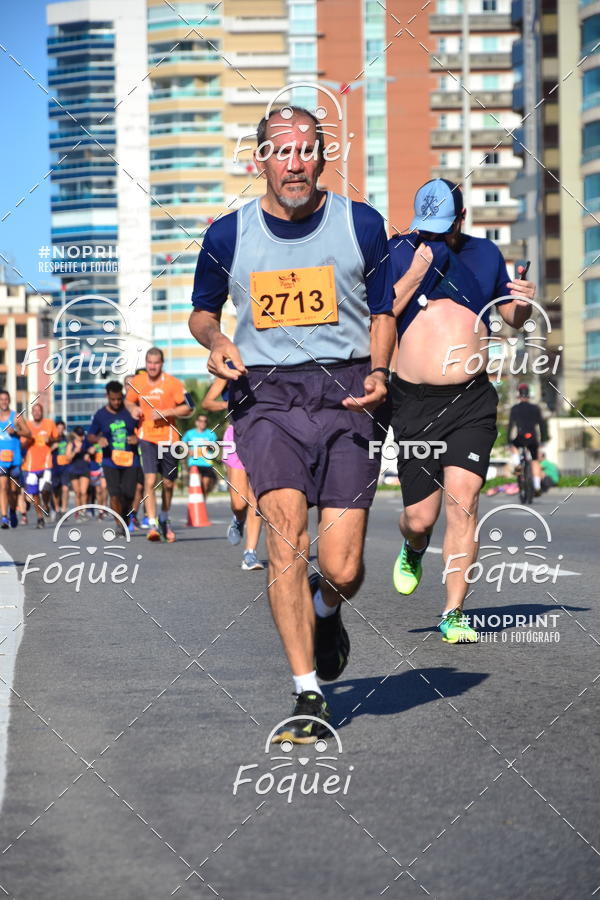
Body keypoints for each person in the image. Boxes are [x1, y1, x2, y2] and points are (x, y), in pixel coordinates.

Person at [189, 105, 395, 742]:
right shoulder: (228, 235)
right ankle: (307, 694)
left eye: (307, 150)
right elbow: (201, 312)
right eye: (282, 152)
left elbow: (384, 311)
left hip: (347, 389)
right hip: (267, 394)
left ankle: (327, 607)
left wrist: (382, 372)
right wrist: (216, 342)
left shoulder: (362, 224)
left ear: (322, 157)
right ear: (261, 161)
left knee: (343, 563)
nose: (295, 162)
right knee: (284, 531)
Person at [388, 178, 536, 643]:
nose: (435, 234)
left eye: (443, 226)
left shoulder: (486, 254)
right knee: (420, 519)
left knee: (464, 502)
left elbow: (510, 318)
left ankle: (454, 612)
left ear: (461, 217)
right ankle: (414, 547)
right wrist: (417, 270)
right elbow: (381, 311)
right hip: (413, 402)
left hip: (471, 397)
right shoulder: (398, 251)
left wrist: (523, 303)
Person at [125, 348, 192, 542]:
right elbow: (128, 402)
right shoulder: (137, 382)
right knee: (149, 480)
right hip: (146, 436)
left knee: (169, 483)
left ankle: (164, 517)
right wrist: (133, 409)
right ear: (146, 363)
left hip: (170, 439)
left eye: (156, 363)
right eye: (149, 362)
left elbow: (189, 407)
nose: (152, 366)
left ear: (162, 364)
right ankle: (152, 523)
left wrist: (168, 411)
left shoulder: (173, 384)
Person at [203, 377, 264, 571]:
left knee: (256, 497)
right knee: (239, 503)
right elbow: (207, 402)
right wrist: (230, 404)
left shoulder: (268, 363)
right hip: (234, 435)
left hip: (263, 435)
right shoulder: (229, 369)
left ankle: (250, 553)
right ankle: (238, 519)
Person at [88, 381, 140, 531]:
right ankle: (119, 524)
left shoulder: (130, 411)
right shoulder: (100, 415)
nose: (116, 402)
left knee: (129, 494)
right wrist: (99, 439)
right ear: (107, 396)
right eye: (113, 399)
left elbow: (143, 429)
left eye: (119, 399)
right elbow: (90, 435)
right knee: (115, 494)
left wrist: (137, 438)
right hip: (110, 461)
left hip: (131, 460)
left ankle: (124, 516)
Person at [21, 403, 57, 528]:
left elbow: (57, 439)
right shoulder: (27, 426)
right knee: (35, 493)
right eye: (34, 411)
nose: (37, 413)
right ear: (31, 413)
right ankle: (40, 517)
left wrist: (50, 440)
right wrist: (28, 440)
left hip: (46, 463)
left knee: (45, 489)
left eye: (39, 410)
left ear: (42, 412)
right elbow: (22, 446)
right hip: (31, 466)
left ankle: (46, 505)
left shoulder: (49, 423)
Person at [508, 383, 547, 495]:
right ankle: (537, 486)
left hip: (520, 437)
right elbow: (542, 425)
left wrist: (509, 442)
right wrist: (543, 440)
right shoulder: (535, 408)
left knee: (514, 446)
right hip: (532, 437)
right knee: (535, 460)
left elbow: (511, 426)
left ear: (519, 396)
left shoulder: (515, 409)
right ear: (529, 396)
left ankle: (518, 465)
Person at [0, 390, 30, 528]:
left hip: (15, 459)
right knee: (3, 487)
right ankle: (4, 517)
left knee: (13, 490)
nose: (3, 402)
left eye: (6, 399)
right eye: (1, 399)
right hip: (1, 461)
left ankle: (12, 511)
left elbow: (28, 433)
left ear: (9, 400)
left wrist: (16, 432)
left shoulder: (16, 417)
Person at [181, 413, 218, 501]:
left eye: (205, 421)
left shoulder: (211, 434)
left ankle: (203, 502)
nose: (203, 423)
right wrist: (188, 451)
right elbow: (183, 444)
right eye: (201, 421)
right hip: (194, 463)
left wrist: (209, 446)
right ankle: (197, 502)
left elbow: (214, 447)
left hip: (206, 463)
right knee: (198, 483)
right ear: (196, 422)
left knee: (205, 485)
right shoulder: (190, 433)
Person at [66, 426, 91, 514]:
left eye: (82, 435)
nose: (81, 437)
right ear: (74, 435)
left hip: (84, 469)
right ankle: (78, 510)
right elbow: (67, 458)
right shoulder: (71, 444)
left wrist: (89, 453)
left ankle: (83, 510)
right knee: (77, 492)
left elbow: (92, 449)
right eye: (79, 435)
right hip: (74, 470)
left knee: (84, 492)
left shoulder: (86, 443)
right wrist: (74, 452)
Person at [50, 420, 70, 517]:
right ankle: (57, 508)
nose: (60, 430)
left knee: (65, 488)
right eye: (58, 428)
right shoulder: (52, 439)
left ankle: (64, 510)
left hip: (65, 467)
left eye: (62, 428)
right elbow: (44, 452)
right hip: (54, 467)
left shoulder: (66, 439)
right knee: (55, 489)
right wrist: (52, 448)